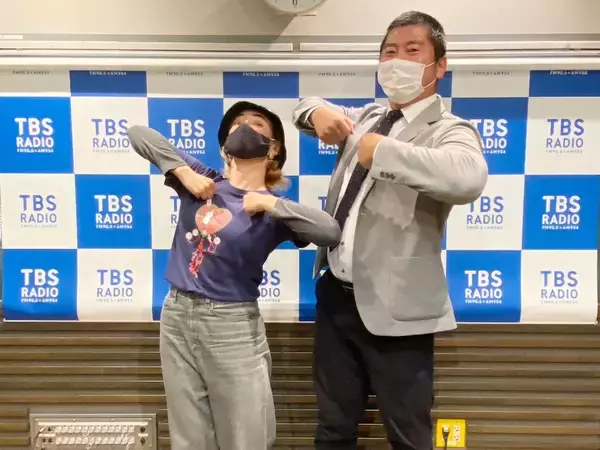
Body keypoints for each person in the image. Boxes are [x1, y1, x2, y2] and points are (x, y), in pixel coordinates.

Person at [292, 11, 488, 450]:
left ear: (439, 65)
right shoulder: (368, 116)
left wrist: (383, 152)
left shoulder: (449, 129)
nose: (397, 60)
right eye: (389, 52)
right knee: (333, 429)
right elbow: (303, 106)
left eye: (412, 50)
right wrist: (317, 111)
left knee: (408, 435)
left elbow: (468, 177)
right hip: (336, 296)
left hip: (399, 306)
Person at [127, 101, 341, 450]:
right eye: (237, 122)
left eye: (257, 124)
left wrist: (270, 203)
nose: (244, 126)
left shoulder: (275, 211)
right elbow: (139, 134)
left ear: (273, 149)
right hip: (176, 315)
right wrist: (183, 172)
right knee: (189, 436)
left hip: (231, 325)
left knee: (246, 435)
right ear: (225, 144)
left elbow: (329, 232)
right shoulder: (203, 179)